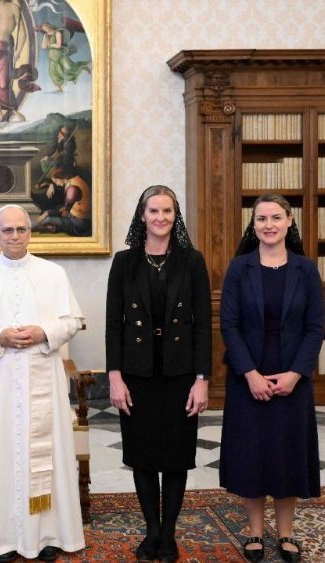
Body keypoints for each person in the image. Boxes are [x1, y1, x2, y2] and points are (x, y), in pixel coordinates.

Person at [0, 204, 85, 562]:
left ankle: (47, 534)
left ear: (31, 232)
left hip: (44, 375)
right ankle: (3, 538)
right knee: (1, 454)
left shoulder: (53, 273)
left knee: (46, 456)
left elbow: (73, 319)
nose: (14, 236)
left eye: (21, 229)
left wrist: (45, 331)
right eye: (7, 230)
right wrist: (0, 336)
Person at [105, 185, 212, 562]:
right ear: (142, 215)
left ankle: (169, 537)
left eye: (168, 211)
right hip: (137, 374)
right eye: (154, 211)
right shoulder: (124, 262)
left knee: (177, 457)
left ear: (175, 216)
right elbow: (113, 325)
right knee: (143, 455)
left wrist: (202, 379)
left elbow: (202, 324)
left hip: (180, 373)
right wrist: (114, 377)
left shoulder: (192, 260)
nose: (161, 217)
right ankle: (151, 531)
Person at [220, 193, 324, 563]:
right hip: (247, 375)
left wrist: (297, 373)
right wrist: (250, 373)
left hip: (292, 379)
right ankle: (254, 531)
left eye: (276, 218)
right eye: (261, 219)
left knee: (287, 454)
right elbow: (228, 325)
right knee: (252, 454)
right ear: (253, 225)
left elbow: (315, 327)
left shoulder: (306, 269)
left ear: (290, 221)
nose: (268, 225)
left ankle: (286, 532)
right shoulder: (239, 267)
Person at [31, 167, 91, 237]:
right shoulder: (74, 180)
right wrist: (50, 185)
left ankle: (28, 228)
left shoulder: (72, 189)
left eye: (56, 181)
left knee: (48, 219)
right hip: (75, 216)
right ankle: (34, 227)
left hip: (79, 222)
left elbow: (64, 210)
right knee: (48, 216)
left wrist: (47, 213)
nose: (56, 184)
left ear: (61, 177)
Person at [38, 21, 90, 92]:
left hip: (60, 54)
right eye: (44, 29)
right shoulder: (46, 35)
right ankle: (59, 88)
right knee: (52, 73)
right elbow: (43, 47)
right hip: (52, 56)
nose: (46, 29)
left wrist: (50, 44)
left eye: (46, 27)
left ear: (49, 25)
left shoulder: (57, 33)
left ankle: (82, 67)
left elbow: (58, 45)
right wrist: (45, 43)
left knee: (69, 67)